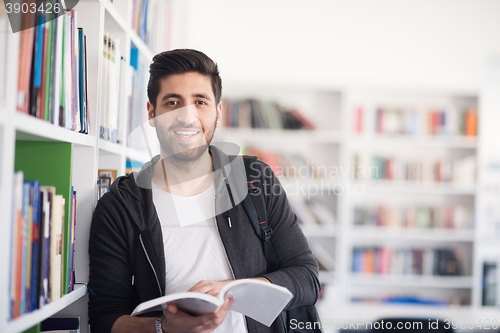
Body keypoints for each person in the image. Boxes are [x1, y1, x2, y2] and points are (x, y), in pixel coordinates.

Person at [88, 49, 320, 333]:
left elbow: (307, 279)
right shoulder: (120, 205)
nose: (188, 116)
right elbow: (105, 317)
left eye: (200, 101)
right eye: (173, 102)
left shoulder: (255, 179)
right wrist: (163, 328)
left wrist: (235, 289)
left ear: (218, 112)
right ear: (152, 113)